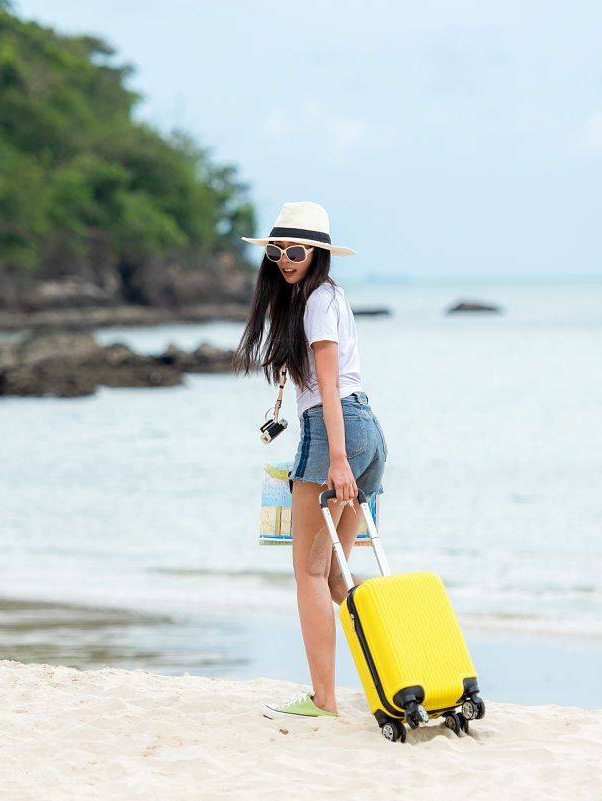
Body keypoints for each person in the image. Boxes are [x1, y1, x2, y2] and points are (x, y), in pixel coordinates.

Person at [232, 200, 387, 719]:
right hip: (366, 429)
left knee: (309, 573)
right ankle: (400, 641)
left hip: (336, 432)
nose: (284, 259)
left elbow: (327, 385)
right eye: (276, 250)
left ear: (317, 253)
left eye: (295, 250)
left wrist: (337, 460)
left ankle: (324, 700)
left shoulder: (317, 301)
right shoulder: (328, 297)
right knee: (338, 579)